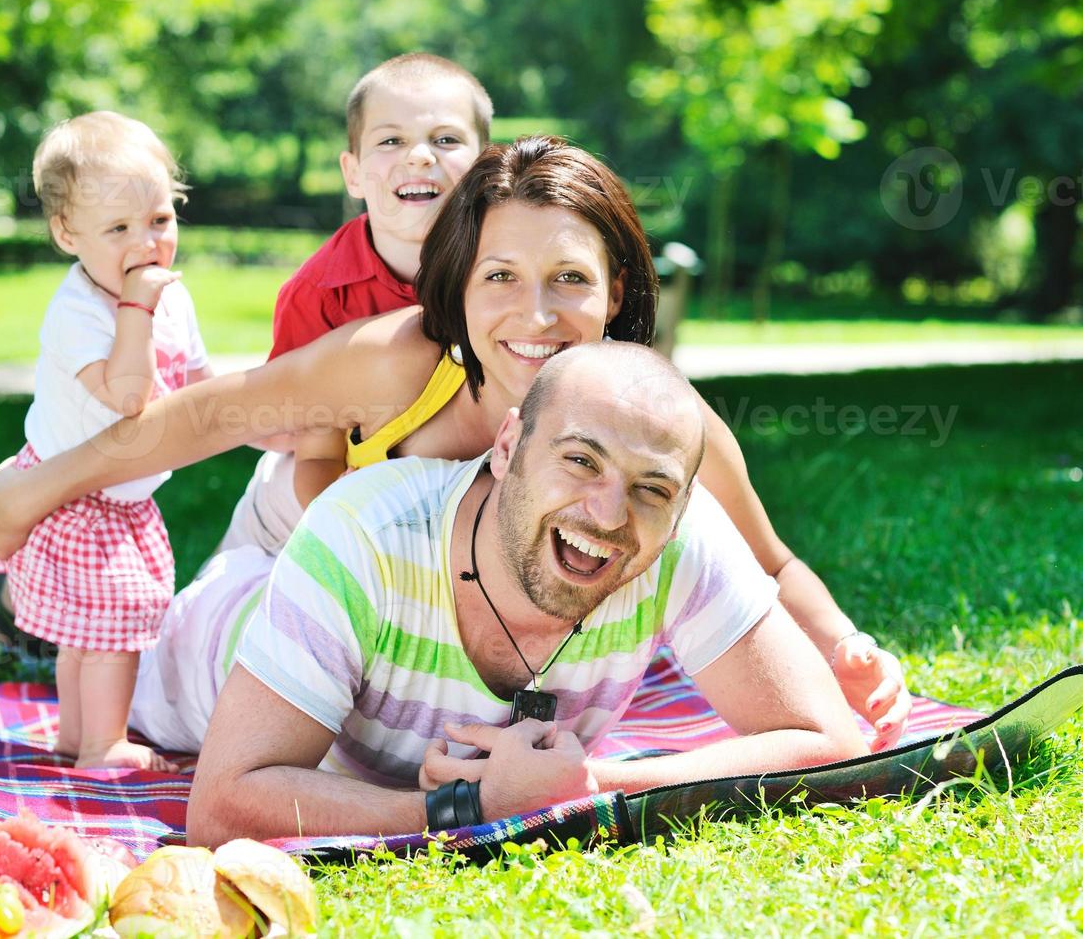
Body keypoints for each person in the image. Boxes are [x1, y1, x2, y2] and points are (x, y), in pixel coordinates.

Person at [0, 136, 910, 751]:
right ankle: (70, 646)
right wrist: (38, 488)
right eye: (499, 275)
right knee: (229, 680)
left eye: (570, 280)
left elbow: (770, 561)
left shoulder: (660, 423)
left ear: (619, 292)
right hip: (289, 548)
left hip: (432, 640)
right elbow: (211, 414)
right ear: (459, 286)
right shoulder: (400, 363)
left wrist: (846, 649)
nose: (535, 316)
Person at [177, 343, 866, 843]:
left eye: (651, 489)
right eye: (578, 460)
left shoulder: (681, 533)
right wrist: (467, 808)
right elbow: (223, 803)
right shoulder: (363, 533)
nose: (607, 513)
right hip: (207, 642)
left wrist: (588, 790)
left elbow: (828, 741)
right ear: (505, 446)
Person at [0, 111, 211, 771]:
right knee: (114, 625)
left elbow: (198, 383)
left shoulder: (171, 297)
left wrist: (271, 422)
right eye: (118, 229)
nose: (146, 244)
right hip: (73, 494)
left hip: (117, 494)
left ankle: (75, 738)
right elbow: (129, 396)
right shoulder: (78, 311)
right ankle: (103, 744)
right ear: (66, 234)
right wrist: (137, 307)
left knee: (90, 628)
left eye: (160, 221)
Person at [220, 52, 492, 554]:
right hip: (318, 495)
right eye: (391, 140)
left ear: (486, 165)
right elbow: (312, 448)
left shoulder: (506, 269)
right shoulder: (320, 293)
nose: (419, 156)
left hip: (459, 487)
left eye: (446, 139)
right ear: (353, 173)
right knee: (234, 592)